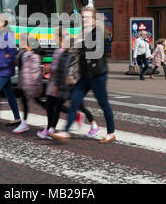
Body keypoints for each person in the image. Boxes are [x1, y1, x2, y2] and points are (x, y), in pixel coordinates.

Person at [50, 7, 116, 144]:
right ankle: (65, 131)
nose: (83, 19)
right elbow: (75, 54)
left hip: (97, 74)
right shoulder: (82, 33)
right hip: (85, 75)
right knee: (74, 102)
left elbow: (92, 49)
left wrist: (77, 43)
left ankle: (111, 133)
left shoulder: (97, 32)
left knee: (103, 104)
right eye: (82, 17)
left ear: (93, 19)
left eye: (86, 17)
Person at [38, 28, 99, 140]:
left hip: (74, 86)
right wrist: (57, 84)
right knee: (58, 106)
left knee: (79, 106)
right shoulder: (63, 54)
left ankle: (93, 125)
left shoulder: (71, 55)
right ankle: (51, 130)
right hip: (64, 86)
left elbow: (75, 69)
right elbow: (61, 71)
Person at [13, 35, 43, 134]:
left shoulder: (34, 55)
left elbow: (35, 73)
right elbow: (16, 62)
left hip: (31, 85)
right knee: (26, 101)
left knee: (42, 103)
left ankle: (69, 113)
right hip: (25, 84)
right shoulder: (22, 53)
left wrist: (31, 86)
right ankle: (24, 123)